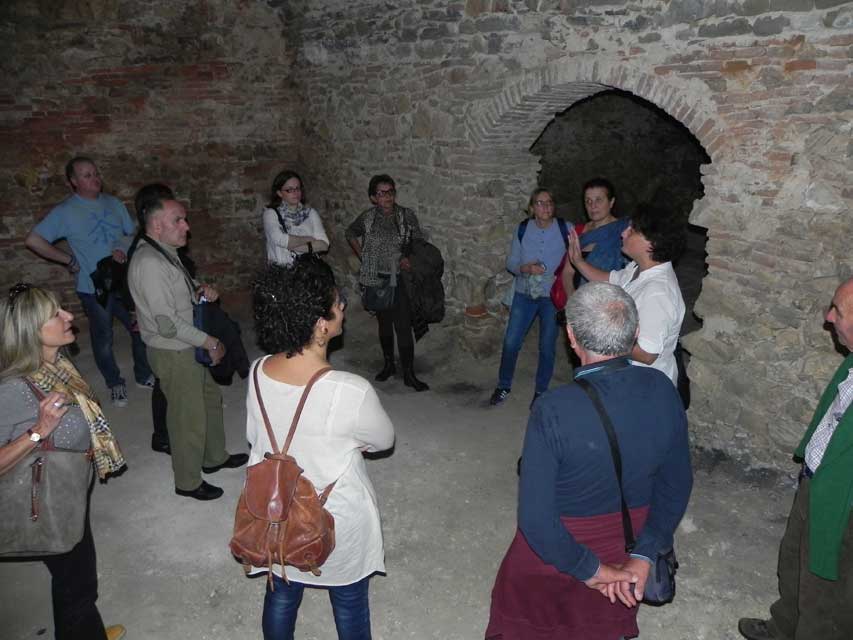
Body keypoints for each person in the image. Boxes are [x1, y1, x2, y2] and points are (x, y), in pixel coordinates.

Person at [486, 282, 693, 640]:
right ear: (635, 333)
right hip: (629, 540)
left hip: (563, 548)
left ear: (570, 336)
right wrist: (643, 555)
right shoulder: (661, 387)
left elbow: (536, 521)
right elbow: (677, 483)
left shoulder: (553, 409)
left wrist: (592, 571)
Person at [247, 256, 395, 640]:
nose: (343, 305)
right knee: (348, 602)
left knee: (280, 596)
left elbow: (256, 437)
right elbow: (383, 441)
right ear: (320, 324)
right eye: (336, 302)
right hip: (335, 519)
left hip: (277, 513)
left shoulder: (257, 370)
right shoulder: (350, 389)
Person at [0, 283, 126, 640]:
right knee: (78, 583)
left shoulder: (56, 367)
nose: (69, 315)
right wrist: (38, 432)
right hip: (45, 500)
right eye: (55, 314)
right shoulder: (13, 388)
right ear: (29, 332)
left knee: (74, 578)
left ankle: (87, 629)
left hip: (68, 489)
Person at [738, 278, 853, 640]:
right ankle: (783, 627)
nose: (828, 317)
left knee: (827, 593)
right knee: (794, 562)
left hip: (843, 505)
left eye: (838, 310)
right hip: (816, 482)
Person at [127, 184, 247, 501]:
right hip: (174, 352)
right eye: (178, 220)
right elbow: (167, 324)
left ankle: (214, 457)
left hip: (184, 348)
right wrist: (210, 341)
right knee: (186, 418)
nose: (186, 227)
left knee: (209, 400)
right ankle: (188, 481)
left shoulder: (164, 253)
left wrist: (199, 289)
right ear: (156, 225)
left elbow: (178, 291)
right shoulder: (149, 263)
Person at [24, 156, 154, 407]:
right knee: (103, 337)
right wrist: (67, 260)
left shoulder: (114, 203)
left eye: (95, 173)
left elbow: (132, 235)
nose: (94, 179)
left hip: (125, 282)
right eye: (86, 175)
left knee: (141, 328)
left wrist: (122, 247)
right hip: (93, 288)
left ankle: (142, 373)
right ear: (73, 182)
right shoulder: (65, 211)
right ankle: (114, 382)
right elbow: (33, 240)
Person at [567, 203, 686, 386]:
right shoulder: (639, 268)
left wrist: (598, 340)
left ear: (651, 243)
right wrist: (578, 261)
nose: (623, 233)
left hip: (644, 386)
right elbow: (609, 279)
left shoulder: (657, 293)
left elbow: (647, 354)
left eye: (631, 231)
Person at [345, 174, 429, 391]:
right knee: (384, 324)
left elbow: (419, 241)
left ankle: (409, 373)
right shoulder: (368, 218)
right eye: (381, 193)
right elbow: (350, 232)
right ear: (373, 198)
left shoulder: (405, 216)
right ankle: (389, 364)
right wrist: (362, 255)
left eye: (390, 192)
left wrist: (409, 258)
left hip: (398, 279)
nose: (387, 197)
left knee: (402, 326)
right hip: (376, 277)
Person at [490, 188, 566, 407]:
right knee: (511, 342)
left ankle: (541, 391)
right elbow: (511, 264)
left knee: (547, 346)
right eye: (540, 203)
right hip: (524, 293)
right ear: (532, 208)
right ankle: (503, 385)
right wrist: (526, 268)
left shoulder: (564, 228)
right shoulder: (523, 229)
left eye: (549, 202)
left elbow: (576, 255)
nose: (546, 207)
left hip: (551, 297)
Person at [559, 177, 629, 295]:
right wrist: (572, 298)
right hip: (578, 299)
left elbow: (628, 274)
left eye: (598, 200)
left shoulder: (624, 231)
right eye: (588, 201)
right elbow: (567, 272)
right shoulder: (579, 230)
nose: (593, 206)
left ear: (611, 202)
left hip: (609, 300)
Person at [262, 170, 329, 266]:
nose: (295, 192)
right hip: (281, 273)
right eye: (289, 190)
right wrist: (309, 239)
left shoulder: (310, 213)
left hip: (308, 271)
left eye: (297, 188)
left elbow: (324, 245)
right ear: (279, 193)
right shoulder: (271, 214)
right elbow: (280, 239)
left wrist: (292, 245)